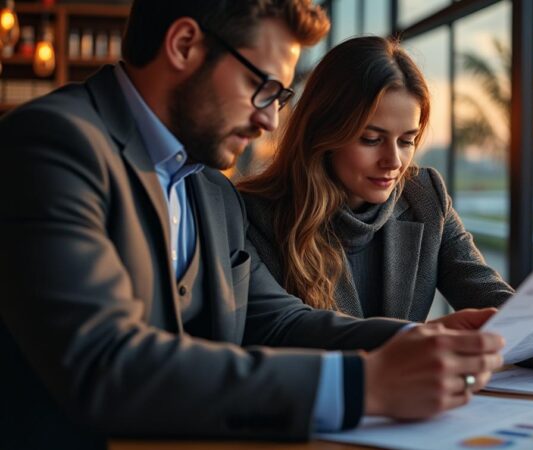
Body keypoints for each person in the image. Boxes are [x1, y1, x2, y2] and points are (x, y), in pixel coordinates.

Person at [0, 2, 507, 449]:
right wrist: (362, 384)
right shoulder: (53, 145)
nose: (269, 121)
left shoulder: (212, 190)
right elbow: (104, 364)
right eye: (260, 87)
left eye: (279, 97)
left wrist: (411, 343)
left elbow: (276, 321)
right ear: (183, 45)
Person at [238, 36, 533, 372]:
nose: (393, 161)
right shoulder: (252, 214)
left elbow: (482, 288)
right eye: (371, 139)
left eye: (407, 140)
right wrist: (417, 338)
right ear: (323, 133)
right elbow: (284, 334)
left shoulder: (424, 194)